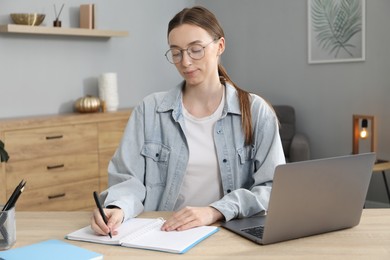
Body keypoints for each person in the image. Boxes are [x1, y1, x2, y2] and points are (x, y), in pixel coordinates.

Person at [91, 6, 285, 236]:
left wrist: (215, 211)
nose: (185, 61)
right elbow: (128, 179)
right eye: (176, 52)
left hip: (229, 234)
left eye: (195, 50)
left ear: (220, 46)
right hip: (162, 233)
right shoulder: (150, 110)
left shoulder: (255, 111)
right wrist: (117, 207)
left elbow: (273, 188)